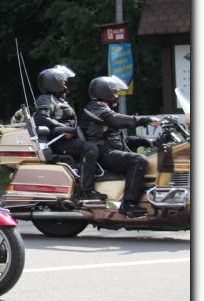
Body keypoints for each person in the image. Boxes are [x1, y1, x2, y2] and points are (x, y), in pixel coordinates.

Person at [78, 76, 160, 217]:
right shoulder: (95, 109)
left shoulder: (103, 109)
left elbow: (118, 139)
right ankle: (129, 204)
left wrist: (146, 141)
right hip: (103, 154)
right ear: (105, 93)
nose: (117, 96)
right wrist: (146, 120)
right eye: (115, 93)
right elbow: (116, 120)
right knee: (139, 160)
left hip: (109, 150)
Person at [33, 65, 103, 201]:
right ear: (54, 83)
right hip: (58, 141)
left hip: (65, 138)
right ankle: (86, 191)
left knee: (94, 145)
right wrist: (64, 129)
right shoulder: (46, 99)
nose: (65, 84)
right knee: (89, 149)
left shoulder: (58, 99)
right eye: (63, 81)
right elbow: (41, 118)